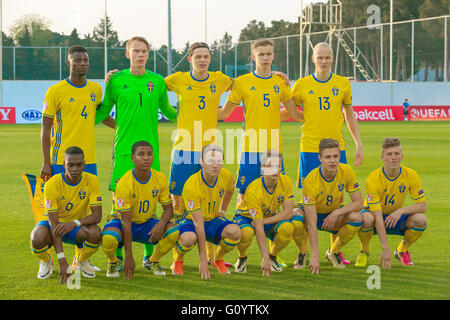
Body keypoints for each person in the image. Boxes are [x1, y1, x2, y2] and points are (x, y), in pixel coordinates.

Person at [95, 36, 178, 269]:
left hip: (150, 150)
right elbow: (102, 111)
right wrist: (81, 116)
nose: (140, 55)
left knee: (149, 202)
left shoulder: (157, 81)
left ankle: (149, 258)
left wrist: (194, 115)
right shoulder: (116, 80)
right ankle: (118, 258)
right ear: (127, 53)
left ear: (148, 54)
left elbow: (169, 111)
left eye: (144, 51)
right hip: (123, 151)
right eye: (136, 51)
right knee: (119, 205)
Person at [40, 45, 104, 271]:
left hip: (89, 160)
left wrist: (123, 128)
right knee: (53, 212)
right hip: (61, 161)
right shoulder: (56, 90)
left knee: (87, 211)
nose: (82, 63)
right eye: (77, 60)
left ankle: (81, 259)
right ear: (69, 63)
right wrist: (47, 161)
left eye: (85, 60)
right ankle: (49, 258)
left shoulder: (96, 88)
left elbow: (100, 115)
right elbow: (46, 128)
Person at [218, 38, 303, 204]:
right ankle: (241, 222)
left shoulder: (280, 82)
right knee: (244, 193)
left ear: (273, 56)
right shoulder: (242, 82)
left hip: (273, 147)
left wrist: (321, 115)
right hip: (250, 146)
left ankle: (273, 227)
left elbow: (294, 113)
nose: (265, 57)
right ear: (253, 56)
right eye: (261, 54)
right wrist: (195, 113)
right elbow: (224, 113)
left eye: (268, 54)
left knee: (275, 192)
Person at [101, 141, 196, 278]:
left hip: (146, 224)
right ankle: (113, 261)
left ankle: (153, 260)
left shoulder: (159, 178)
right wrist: (129, 256)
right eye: (141, 154)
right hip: (123, 224)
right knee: (109, 238)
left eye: (149, 154)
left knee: (174, 231)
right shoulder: (124, 183)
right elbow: (126, 221)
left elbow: (169, 209)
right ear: (133, 158)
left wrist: (161, 224)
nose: (146, 157)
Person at [287, 42, 363, 188]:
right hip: (310, 147)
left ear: (332, 58)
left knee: (337, 195)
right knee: (309, 196)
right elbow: (290, 111)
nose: (323, 61)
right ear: (313, 58)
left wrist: (358, 143)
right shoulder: (301, 84)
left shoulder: (343, 83)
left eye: (327, 57)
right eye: (320, 57)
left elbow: (349, 114)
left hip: (336, 147)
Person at [30, 147, 103, 283]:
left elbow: (97, 216)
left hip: (75, 225)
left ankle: (81, 260)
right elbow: (53, 224)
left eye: (79, 165)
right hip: (53, 223)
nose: (75, 169)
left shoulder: (92, 180)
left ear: (84, 165)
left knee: (95, 233)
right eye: (70, 165)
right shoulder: (52, 184)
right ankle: (46, 261)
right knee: (37, 237)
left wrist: (74, 223)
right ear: (64, 165)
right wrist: (61, 259)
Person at [355, 138, 427, 269]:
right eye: (389, 154)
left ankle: (402, 251)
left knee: (421, 220)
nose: (394, 158)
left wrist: (400, 211)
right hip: (375, 215)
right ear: (382, 157)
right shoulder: (373, 178)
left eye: (397, 154)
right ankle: (364, 251)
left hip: (395, 216)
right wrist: (385, 248)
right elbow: (377, 215)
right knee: (366, 218)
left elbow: (422, 205)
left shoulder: (411, 175)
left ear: (402, 156)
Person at [297, 139, 363, 274]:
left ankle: (334, 252)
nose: (332, 161)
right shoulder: (310, 180)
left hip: (333, 215)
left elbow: (358, 202)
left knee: (357, 217)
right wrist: (315, 256)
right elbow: (311, 222)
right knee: (295, 217)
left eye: (335, 156)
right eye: (328, 157)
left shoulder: (346, 171)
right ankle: (303, 253)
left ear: (339, 156)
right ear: (320, 158)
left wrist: (336, 213)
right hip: (313, 214)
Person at [176, 144, 240, 279]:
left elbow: (230, 190)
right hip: (190, 220)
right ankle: (178, 260)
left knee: (235, 232)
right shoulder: (191, 185)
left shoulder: (226, 175)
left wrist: (222, 210)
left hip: (212, 220)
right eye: (210, 161)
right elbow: (198, 224)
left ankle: (218, 259)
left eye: (218, 161)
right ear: (202, 162)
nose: (215, 165)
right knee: (188, 239)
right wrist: (203, 260)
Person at [233, 150, 301, 275]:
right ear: (263, 167)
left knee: (287, 228)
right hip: (246, 217)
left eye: (278, 166)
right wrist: (263, 257)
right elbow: (258, 226)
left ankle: (272, 257)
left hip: (267, 217)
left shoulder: (285, 181)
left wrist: (264, 221)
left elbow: (288, 212)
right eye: (270, 166)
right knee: (246, 233)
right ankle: (242, 258)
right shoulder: (254, 190)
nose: (274, 170)